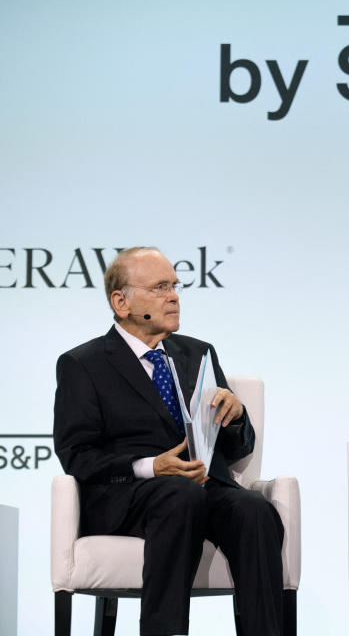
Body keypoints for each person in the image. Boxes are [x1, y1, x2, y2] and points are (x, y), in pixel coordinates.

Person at [53, 247, 284, 636]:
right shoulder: (83, 364)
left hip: (204, 486)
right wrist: (151, 466)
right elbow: (77, 456)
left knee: (255, 510)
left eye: (175, 286)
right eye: (160, 287)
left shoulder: (198, 353)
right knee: (179, 494)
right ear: (121, 301)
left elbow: (238, 448)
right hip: (130, 495)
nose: (174, 296)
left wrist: (236, 416)